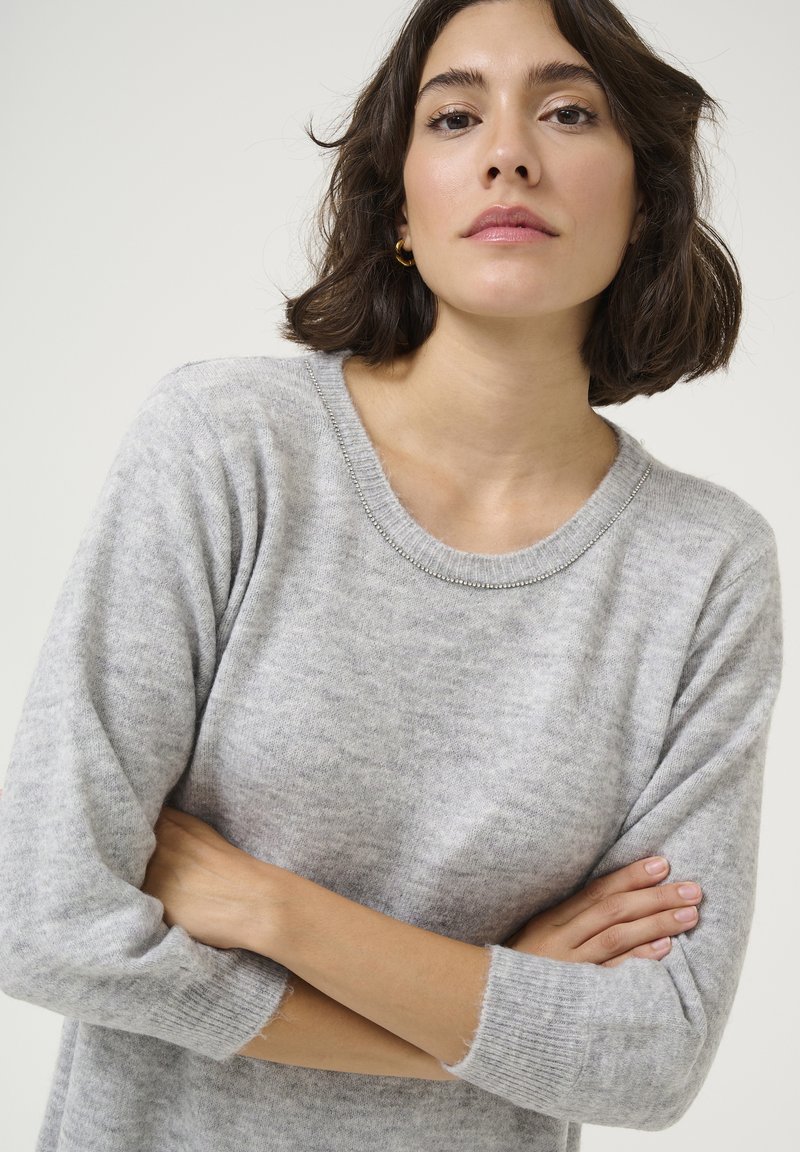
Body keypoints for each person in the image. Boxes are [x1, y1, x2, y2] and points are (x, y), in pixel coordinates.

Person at [0, 0, 783, 1149]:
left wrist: (273, 909)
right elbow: (43, 915)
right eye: (454, 116)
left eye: (567, 112)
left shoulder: (703, 565)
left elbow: (648, 1057)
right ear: (399, 208)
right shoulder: (230, 446)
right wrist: (493, 1007)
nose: (507, 151)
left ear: (645, 201)